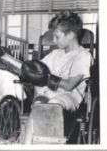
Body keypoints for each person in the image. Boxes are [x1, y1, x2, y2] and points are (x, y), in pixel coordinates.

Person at [22, 11, 93, 144]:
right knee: (37, 107)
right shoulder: (55, 54)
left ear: (71, 34)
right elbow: (35, 69)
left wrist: (45, 77)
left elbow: (69, 85)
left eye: (57, 36)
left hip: (68, 97)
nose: (53, 41)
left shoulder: (83, 55)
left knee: (52, 106)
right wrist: (10, 63)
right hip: (46, 94)